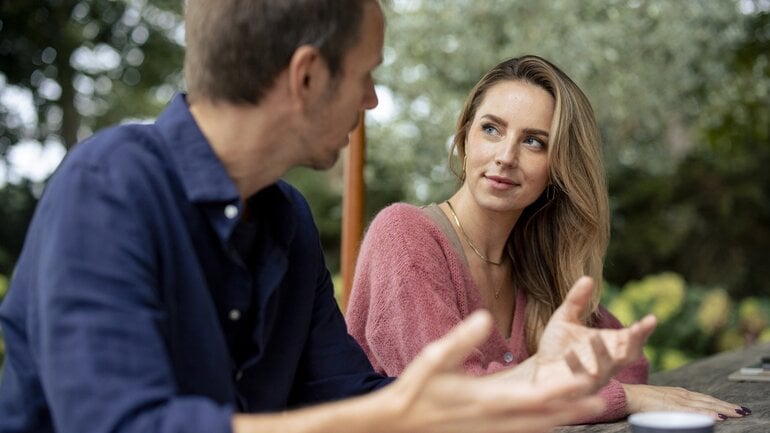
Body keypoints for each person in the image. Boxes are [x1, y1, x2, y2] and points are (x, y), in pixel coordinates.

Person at [0, 2, 657, 432]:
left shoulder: (285, 218)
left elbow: (348, 392)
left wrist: (534, 381)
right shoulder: (109, 184)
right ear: (308, 77)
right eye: (365, 75)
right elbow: (119, 423)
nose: (371, 100)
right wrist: (396, 410)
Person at [346, 55, 751, 424]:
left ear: (558, 166)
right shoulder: (405, 236)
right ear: (465, 135)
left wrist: (607, 389)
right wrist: (621, 398)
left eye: (533, 141)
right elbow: (452, 398)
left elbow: (625, 364)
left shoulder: (535, 263)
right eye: (491, 129)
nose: (506, 155)